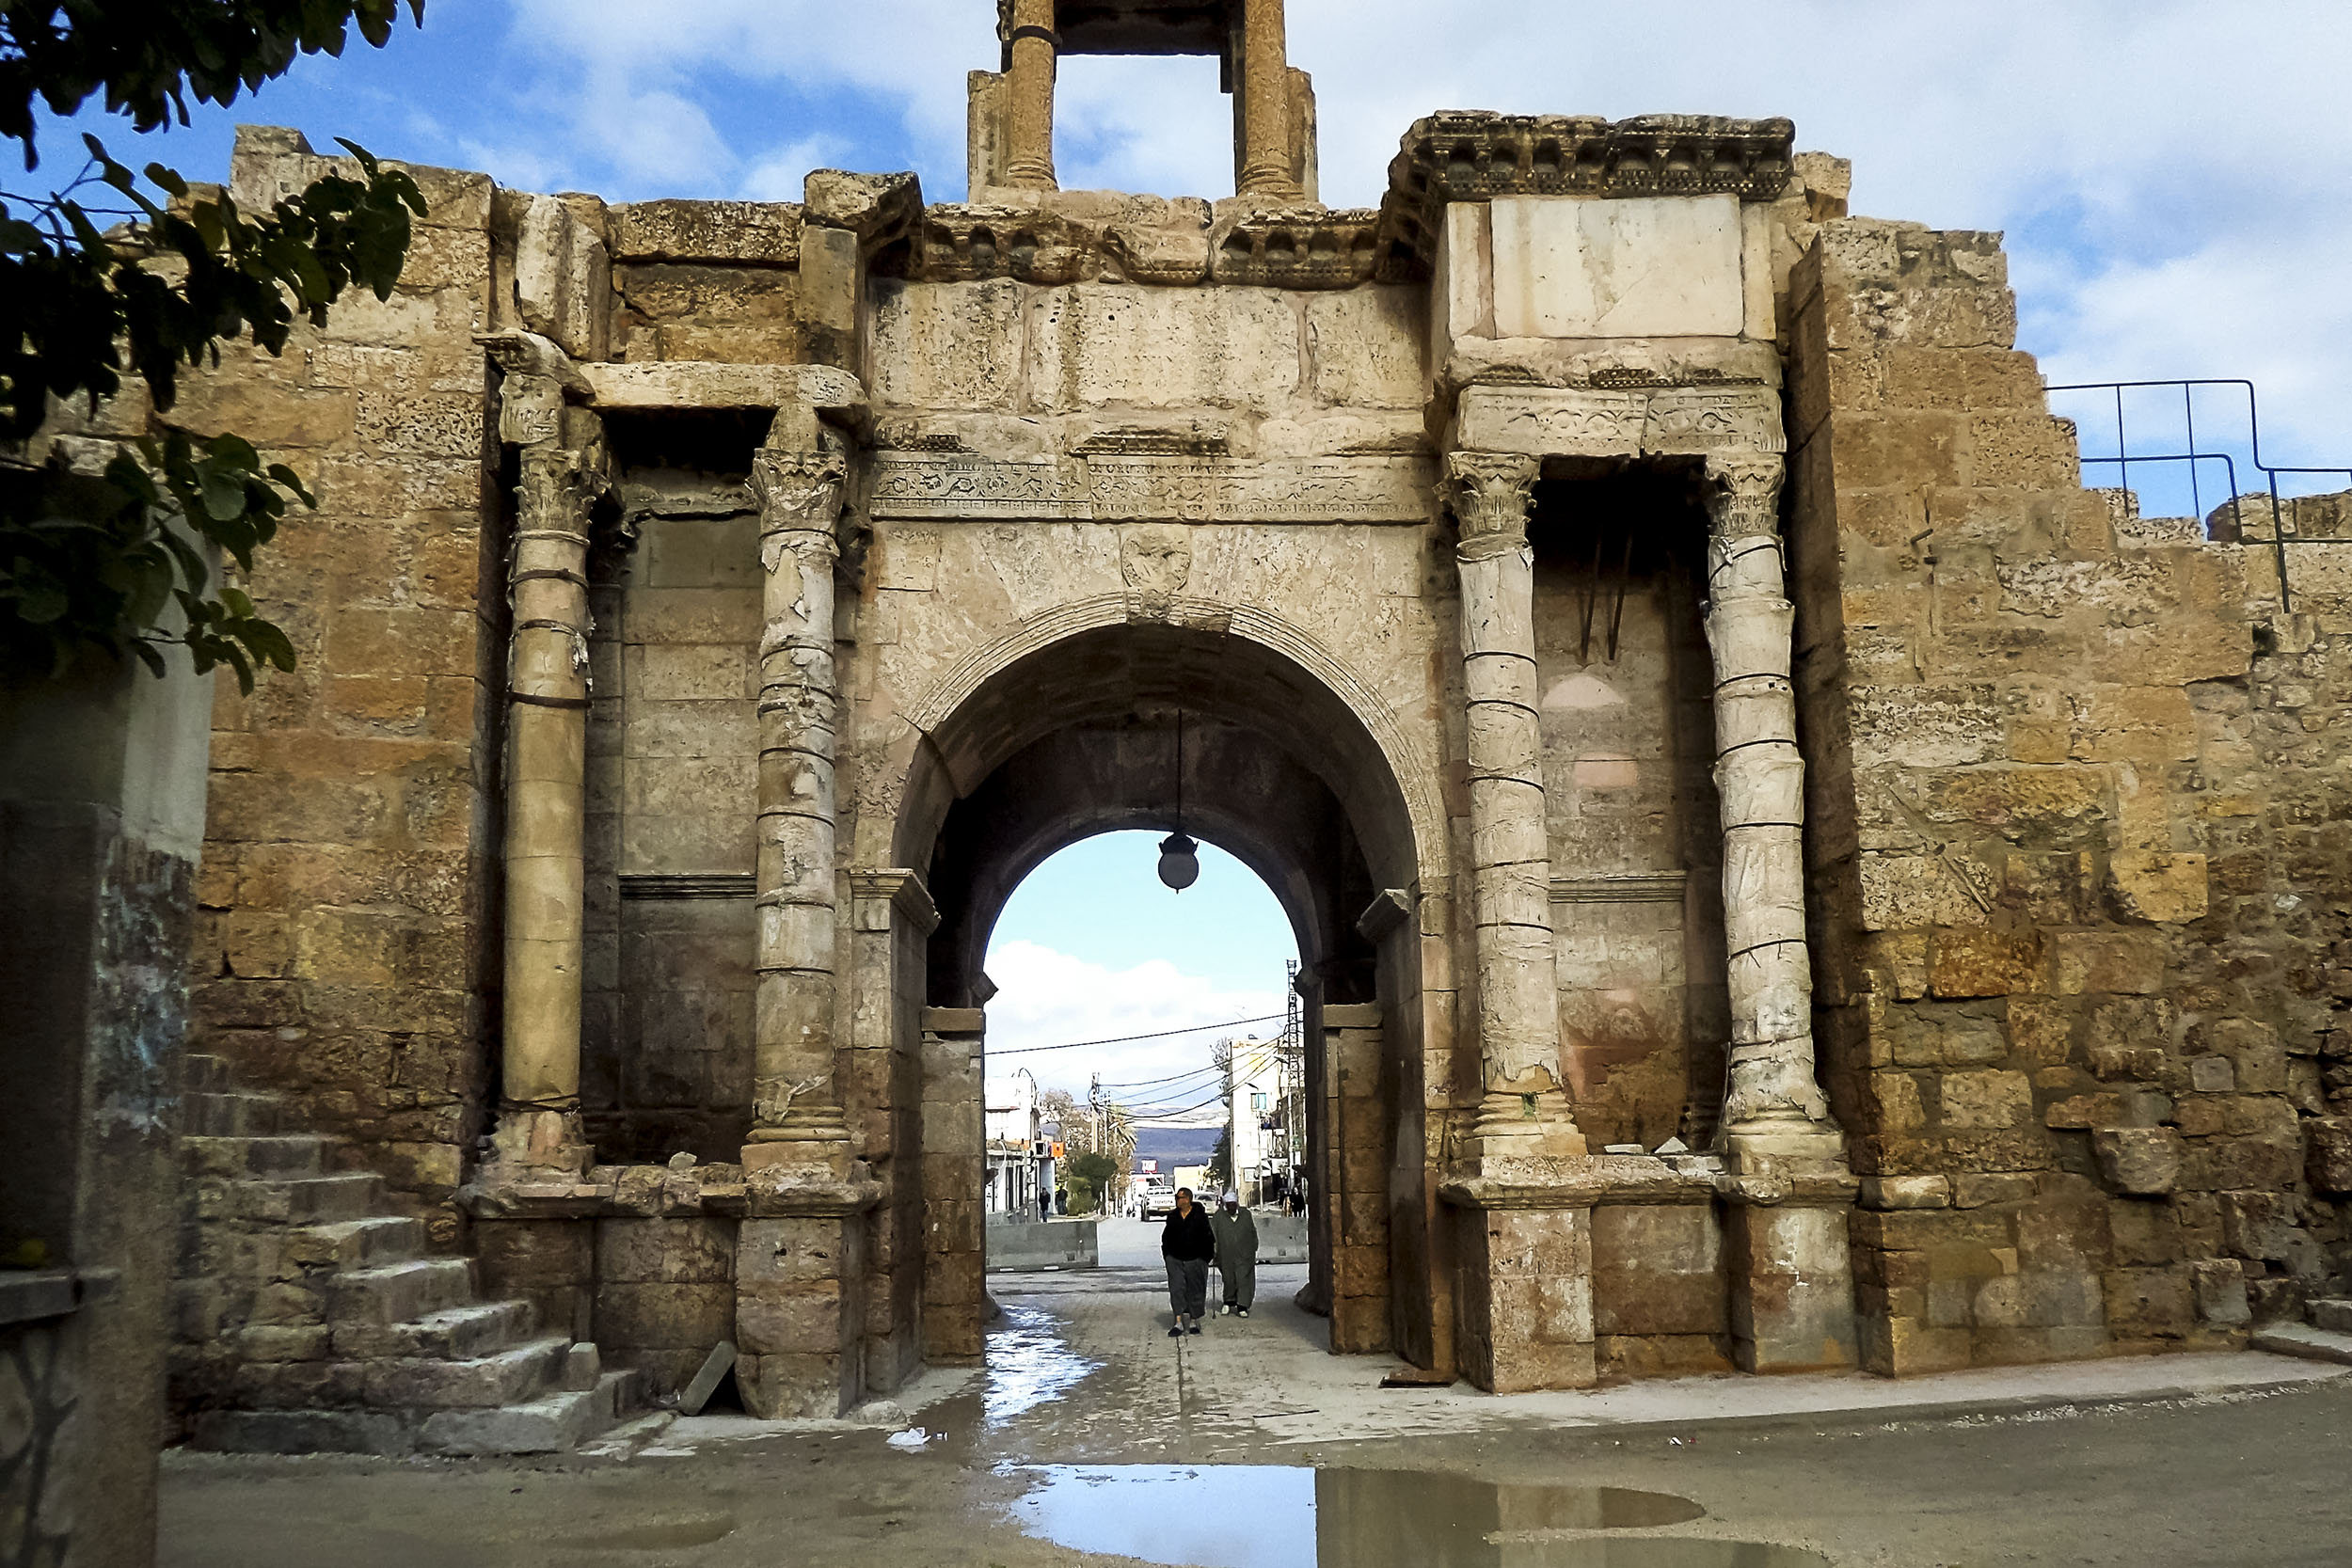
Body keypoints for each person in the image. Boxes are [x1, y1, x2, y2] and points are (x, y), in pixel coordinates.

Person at [1160, 1185, 1216, 1337]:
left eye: (1179, 1198)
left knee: (1195, 1290)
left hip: (1195, 1260)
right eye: (1176, 1198)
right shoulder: (1172, 1217)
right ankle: (1178, 1322)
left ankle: (1193, 1321)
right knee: (1177, 1289)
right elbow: (1166, 1238)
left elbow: (1209, 1238)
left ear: (1187, 1199)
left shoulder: (1200, 1217)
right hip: (1175, 1260)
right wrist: (1167, 1256)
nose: (1176, 1200)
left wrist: (1205, 1258)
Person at [1208, 1188, 1257, 1318]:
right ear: (1225, 1205)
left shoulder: (1246, 1214)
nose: (1232, 1208)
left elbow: (1252, 1232)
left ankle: (1242, 1305)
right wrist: (1213, 1250)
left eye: (1234, 1205)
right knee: (1229, 1280)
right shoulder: (1218, 1217)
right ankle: (1228, 1302)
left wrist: (1254, 1248)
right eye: (1229, 1205)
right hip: (1225, 1255)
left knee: (1243, 1280)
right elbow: (1213, 1234)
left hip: (1245, 1255)